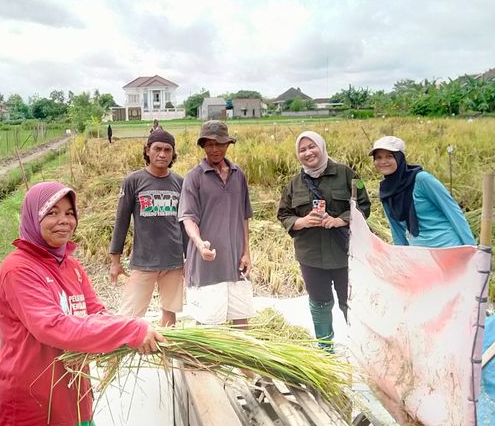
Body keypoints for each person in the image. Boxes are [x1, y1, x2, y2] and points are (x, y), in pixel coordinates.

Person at [0, 181, 165, 426]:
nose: (64, 221)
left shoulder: (71, 266)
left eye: (70, 213)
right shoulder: (18, 269)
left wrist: (126, 328)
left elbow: (95, 312)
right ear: (34, 217)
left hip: (70, 401)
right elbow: (52, 326)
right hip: (31, 406)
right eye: (52, 213)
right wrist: (128, 330)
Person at [277, 131, 371, 350]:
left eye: (312, 146)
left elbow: (364, 206)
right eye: (302, 149)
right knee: (319, 302)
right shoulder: (294, 183)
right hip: (310, 256)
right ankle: (325, 348)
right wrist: (302, 221)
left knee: (351, 302)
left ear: (322, 146)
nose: (308, 153)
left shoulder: (347, 174)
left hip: (344, 253)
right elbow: (283, 214)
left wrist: (339, 220)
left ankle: (361, 348)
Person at [179, 120, 254, 326]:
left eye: (219, 143)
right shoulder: (194, 177)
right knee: (208, 326)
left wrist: (246, 252)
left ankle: (238, 359)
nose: (214, 149)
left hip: (236, 262)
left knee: (242, 322)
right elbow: (188, 218)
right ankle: (202, 361)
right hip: (207, 264)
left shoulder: (239, 175)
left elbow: (244, 217)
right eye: (209, 144)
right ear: (203, 146)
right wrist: (199, 243)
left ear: (228, 144)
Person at [109, 129, 186, 326]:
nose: (162, 154)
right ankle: (115, 355)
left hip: (173, 261)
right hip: (144, 260)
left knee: (170, 314)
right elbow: (121, 221)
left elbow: (184, 223)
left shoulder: (179, 182)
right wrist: (115, 261)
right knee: (129, 317)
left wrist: (188, 258)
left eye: (167, 150)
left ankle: (165, 357)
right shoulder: (133, 181)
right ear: (147, 151)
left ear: (173, 153)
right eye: (157, 149)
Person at [370, 136, 475, 247]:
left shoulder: (422, 180)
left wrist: (471, 248)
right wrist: (402, 256)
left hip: (447, 246)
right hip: (420, 252)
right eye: (378, 157)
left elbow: (453, 211)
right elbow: (396, 230)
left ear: (399, 157)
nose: (383, 161)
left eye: (389, 156)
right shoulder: (386, 190)